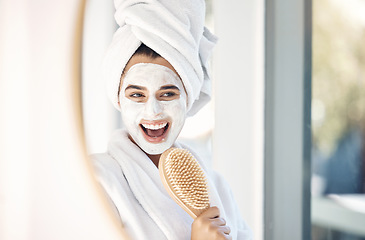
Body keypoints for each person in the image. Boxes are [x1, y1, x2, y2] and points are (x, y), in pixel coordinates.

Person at [91, 0, 253, 239]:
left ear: (187, 98)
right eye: (137, 94)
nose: (153, 111)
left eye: (168, 94)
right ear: (118, 99)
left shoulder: (218, 188)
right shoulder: (98, 179)